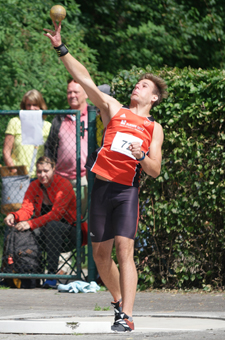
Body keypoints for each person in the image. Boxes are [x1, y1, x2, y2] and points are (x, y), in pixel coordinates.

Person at [44, 22, 167, 332]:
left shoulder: (154, 128)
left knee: (125, 250)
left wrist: (141, 156)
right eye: (137, 83)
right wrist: (61, 48)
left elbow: (155, 170)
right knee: (100, 255)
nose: (137, 87)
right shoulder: (114, 108)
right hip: (101, 187)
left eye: (143, 86)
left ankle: (126, 315)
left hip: (126, 192)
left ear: (153, 98)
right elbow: (84, 79)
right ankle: (116, 302)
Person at [4, 156, 88, 288]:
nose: (42, 175)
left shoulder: (63, 185)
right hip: (45, 235)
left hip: (72, 234)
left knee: (52, 225)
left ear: (54, 169)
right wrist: (14, 216)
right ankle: (28, 273)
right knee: (21, 229)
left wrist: (30, 224)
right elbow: (26, 209)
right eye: (39, 171)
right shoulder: (34, 186)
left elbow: (56, 214)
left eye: (46, 171)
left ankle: (51, 275)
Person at [44, 79, 89, 274]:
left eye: (76, 92)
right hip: (62, 181)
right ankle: (64, 270)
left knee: (87, 223)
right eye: (69, 92)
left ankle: (92, 269)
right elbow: (49, 147)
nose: (72, 96)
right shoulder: (60, 118)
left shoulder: (94, 116)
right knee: (62, 224)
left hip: (88, 179)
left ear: (85, 93)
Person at [3, 89, 51, 179]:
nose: (31, 108)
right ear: (24, 107)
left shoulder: (48, 126)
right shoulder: (15, 122)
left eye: (35, 105)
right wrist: (15, 171)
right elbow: (6, 151)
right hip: (19, 175)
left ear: (41, 106)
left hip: (40, 177)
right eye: (28, 105)